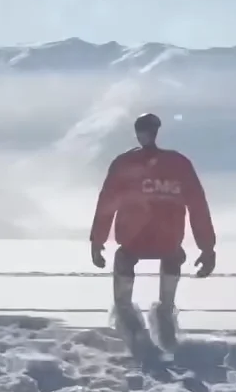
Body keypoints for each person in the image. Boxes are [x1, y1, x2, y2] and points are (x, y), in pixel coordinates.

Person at [89, 112, 216, 348]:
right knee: (172, 257)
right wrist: (207, 248)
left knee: (124, 260)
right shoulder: (178, 164)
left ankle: (127, 317)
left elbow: (106, 204)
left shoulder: (125, 164)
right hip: (168, 241)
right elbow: (198, 206)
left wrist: (98, 242)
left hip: (132, 241)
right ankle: (165, 313)